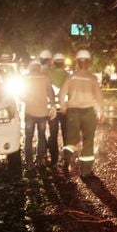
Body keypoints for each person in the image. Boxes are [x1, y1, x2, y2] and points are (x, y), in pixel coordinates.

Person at [59, 49, 104, 178]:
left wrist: (63, 107)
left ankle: (67, 160)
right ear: (88, 63)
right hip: (89, 112)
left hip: (73, 111)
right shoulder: (92, 78)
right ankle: (85, 170)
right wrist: (101, 112)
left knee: (71, 139)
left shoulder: (71, 77)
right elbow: (99, 97)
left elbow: (62, 94)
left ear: (77, 62)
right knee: (88, 140)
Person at [20, 60, 55, 170]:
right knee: (41, 136)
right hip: (42, 113)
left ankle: (29, 163)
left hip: (29, 112)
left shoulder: (25, 77)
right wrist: (53, 105)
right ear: (39, 67)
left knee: (28, 138)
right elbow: (50, 91)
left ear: (30, 67)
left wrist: (26, 99)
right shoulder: (45, 77)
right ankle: (40, 161)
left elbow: (18, 93)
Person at [46, 52, 69, 168]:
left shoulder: (48, 73)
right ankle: (67, 159)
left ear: (54, 63)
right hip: (65, 109)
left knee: (53, 134)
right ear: (63, 63)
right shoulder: (67, 75)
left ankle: (54, 160)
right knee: (66, 134)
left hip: (52, 109)